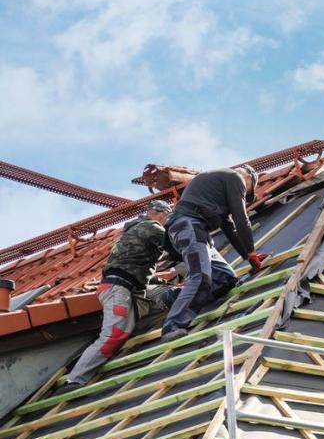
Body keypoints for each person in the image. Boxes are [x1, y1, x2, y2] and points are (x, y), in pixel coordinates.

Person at [64, 200, 174, 388]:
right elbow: (174, 244)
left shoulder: (134, 230)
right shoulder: (152, 226)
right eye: (166, 216)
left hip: (125, 288)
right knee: (115, 333)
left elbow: (135, 268)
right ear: (160, 214)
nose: (166, 220)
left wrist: (160, 281)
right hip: (119, 288)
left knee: (158, 306)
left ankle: (84, 361)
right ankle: (75, 378)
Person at [161, 165, 267, 342]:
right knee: (201, 277)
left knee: (226, 278)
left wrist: (248, 256)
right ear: (249, 177)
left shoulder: (217, 189)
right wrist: (251, 251)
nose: (243, 194)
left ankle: (177, 297)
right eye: (247, 191)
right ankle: (172, 326)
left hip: (196, 230)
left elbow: (230, 228)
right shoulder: (235, 177)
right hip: (188, 225)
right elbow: (241, 220)